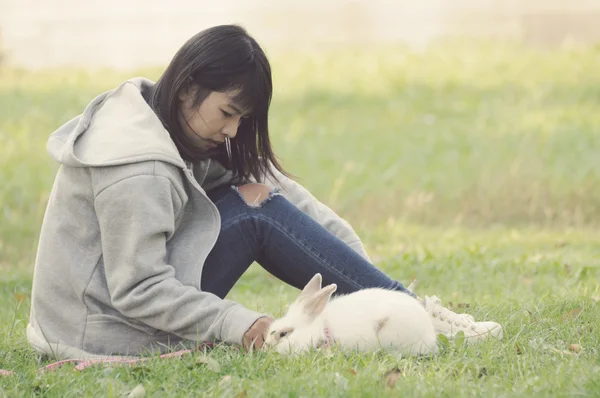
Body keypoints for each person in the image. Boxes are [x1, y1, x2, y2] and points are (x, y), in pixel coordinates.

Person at [27, 24, 502, 359]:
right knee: (255, 214)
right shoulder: (139, 167)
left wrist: (358, 268)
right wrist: (240, 323)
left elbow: (276, 193)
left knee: (257, 198)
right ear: (189, 87)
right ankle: (410, 313)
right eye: (228, 112)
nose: (233, 130)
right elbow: (138, 288)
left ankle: (406, 310)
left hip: (107, 313)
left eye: (242, 119)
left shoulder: (169, 121)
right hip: (103, 330)